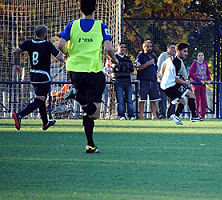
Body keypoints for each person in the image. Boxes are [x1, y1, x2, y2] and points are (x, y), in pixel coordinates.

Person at [57, 0, 119, 153]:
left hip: (75, 71)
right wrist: (115, 59)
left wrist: (67, 54)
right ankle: (77, 96)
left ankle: (90, 145)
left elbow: (59, 45)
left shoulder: (72, 25)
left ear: (80, 8)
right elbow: (109, 48)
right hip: (93, 71)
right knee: (95, 113)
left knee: (88, 111)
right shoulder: (101, 26)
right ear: (96, 9)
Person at [12, 25, 64, 131]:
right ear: (44, 34)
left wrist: (16, 65)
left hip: (33, 75)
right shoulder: (47, 45)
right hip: (43, 76)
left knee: (41, 98)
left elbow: (16, 51)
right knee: (39, 100)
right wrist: (65, 56)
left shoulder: (28, 43)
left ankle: (45, 123)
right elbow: (59, 56)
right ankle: (19, 115)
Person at [159, 43, 200, 125]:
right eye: (184, 51)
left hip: (165, 86)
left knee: (182, 101)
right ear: (178, 51)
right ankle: (194, 116)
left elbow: (163, 66)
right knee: (191, 95)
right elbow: (177, 79)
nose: (186, 54)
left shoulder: (170, 59)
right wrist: (185, 82)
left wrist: (161, 76)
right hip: (172, 85)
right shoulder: (176, 62)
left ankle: (175, 116)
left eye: (187, 51)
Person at [136, 40, 160, 120]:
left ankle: (154, 115)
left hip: (153, 80)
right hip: (144, 80)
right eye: (147, 46)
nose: (149, 48)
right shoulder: (140, 56)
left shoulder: (154, 57)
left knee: (153, 99)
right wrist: (148, 64)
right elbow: (138, 67)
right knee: (142, 99)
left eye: (150, 46)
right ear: (144, 47)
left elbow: (156, 69)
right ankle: (141, 116)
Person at [111, 42, 135, 120]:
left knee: (129, 99)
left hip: (127, 81)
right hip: (118, 81)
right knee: (120, 100)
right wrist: (124, 68)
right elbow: (115, 69)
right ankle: (121, 115)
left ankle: (131, 115)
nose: (123, 49)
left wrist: (121, 67)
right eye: (121, 47)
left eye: (124, 47)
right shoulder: (114, 58)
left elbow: (131, 69)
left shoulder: (128, 58)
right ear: (118, 48)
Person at [189, 51, 211, 120]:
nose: (201, 57)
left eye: (202, 55)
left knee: (204, 100)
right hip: (196, 84)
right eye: (199, 55)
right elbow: (191, 74)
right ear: (197, 57)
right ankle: (196, 115)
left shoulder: (205, 63)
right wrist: (199, 80)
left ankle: (202, 115)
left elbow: (207, 73)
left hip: (203, 84)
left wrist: (209, 79)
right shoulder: (195, 63)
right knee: (197, 99)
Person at [157, 42, 176, 119]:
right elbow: (159, 68)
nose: (173, 49)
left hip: (172, 82)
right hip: (163, 81)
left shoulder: (176, 57)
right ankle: (162, 115)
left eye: (174, 48)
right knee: (163, 99)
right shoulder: (163, 56)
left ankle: (171, 114)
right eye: (172, 47)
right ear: (168, 48)